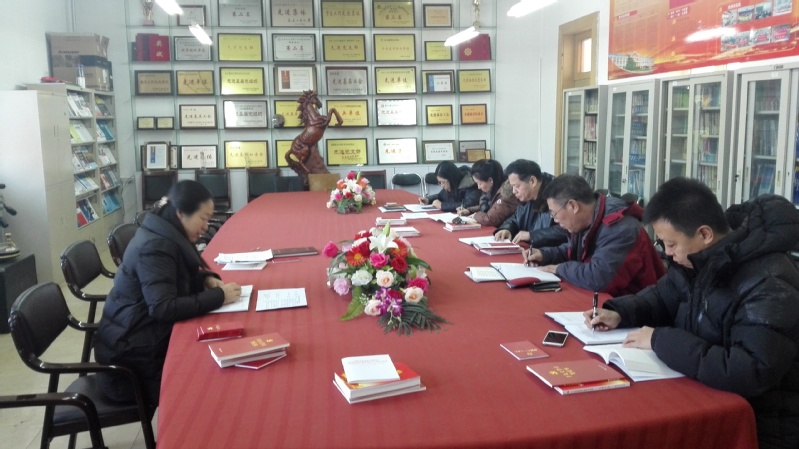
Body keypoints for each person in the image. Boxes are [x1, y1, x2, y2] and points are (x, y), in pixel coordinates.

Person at [586, 178, 799, 449]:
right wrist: (619, 312)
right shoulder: (698, 259)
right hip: (703, 396)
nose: (668, 254)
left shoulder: (769, 280)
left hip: (759, 424)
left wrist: (660, 340)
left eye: (671, 244)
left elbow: (750, 369)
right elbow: (661, 297)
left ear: (705, 234)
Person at [94, 180, 241, 407]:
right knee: (213, 380)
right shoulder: (156, 246)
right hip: (130, 368)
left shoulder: (165, 232)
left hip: (140, 341)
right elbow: (163, 307)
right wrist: (219, 297)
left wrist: (204, 280)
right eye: (203, 218)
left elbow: (174, 278)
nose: (206, 226)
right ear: (181, 213)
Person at [524, 173, 665, 296]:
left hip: (632, 307)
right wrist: (544, 255)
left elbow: (599, 279)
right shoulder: (589, 217)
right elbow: (573, 249)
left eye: (554, 213)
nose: (555, 220)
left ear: (573, 206)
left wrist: (559, 268)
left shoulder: (620, 228)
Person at [494, 159, 568, 247]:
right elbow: (516, 218)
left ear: (532, 181)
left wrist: (532, 235)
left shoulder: (557, 197)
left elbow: (565, 230)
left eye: (517, 186)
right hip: (529, 250)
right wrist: (507, 229)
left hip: (549, 252)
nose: (514, 191)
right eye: (512, 186)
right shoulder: (527, 197)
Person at [455, 159, 519, 227]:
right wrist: (469, 210)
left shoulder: (506, 195)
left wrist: (475, 215)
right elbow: (490, 207)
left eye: (479, 183)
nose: (478, 187)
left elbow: (489, 220)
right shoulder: (493, 190)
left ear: (490, 180)